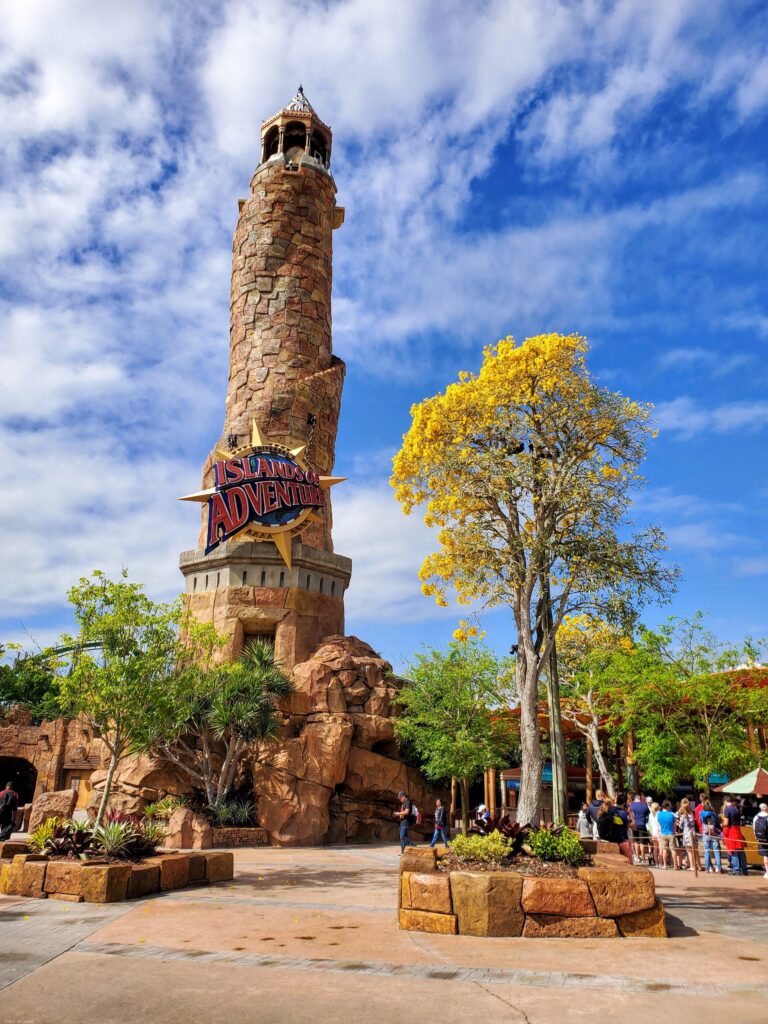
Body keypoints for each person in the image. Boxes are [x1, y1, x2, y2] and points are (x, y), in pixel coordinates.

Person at [722, 796, 748, 876]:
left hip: (732, 831)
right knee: (741, 850)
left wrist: (721, 824)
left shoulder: (727, 809)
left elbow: (726, 823)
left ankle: (736, 869)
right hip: (738, 830)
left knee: (734, 851)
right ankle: (744, 869)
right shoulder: (737, 809)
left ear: (726, 801)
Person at [700, 799, 723, 874]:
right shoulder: (714, 814)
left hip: (706, 834)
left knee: (706, 851)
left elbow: (700, 820)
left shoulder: (702, 814)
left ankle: (707, 868)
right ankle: (719, 868)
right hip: (714, 834)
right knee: (716, 851)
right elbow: (717, 824)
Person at [675, 798, 697, 870]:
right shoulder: (691, 814)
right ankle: (693, 865)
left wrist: (677, 823)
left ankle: (692, 866)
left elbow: (681, 825)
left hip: (687, 834)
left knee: (689, 851)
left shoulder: (683, 815)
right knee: (693, 850)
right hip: (693, 833)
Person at [629, 791, 650, 863]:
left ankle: (637, 856)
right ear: (640, 798)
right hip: (642, 825)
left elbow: (629, 814)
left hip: (634, 825)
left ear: (635, 799)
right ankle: (643, 857)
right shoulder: (644, 805)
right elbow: (648, 815)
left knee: (636, 842)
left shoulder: (631, 805)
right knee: (642, 842)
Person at [656, 800, 676, 869]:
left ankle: (665, 865)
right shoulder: (672, 814)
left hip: (663, 833)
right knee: (673, 849)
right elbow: (674, 824)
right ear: (667, 807)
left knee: (664, 850)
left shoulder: (659, 814)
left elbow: (658, 823)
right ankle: (675, 865)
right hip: (671, 833)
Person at [752, 802, 768, 879]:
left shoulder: (756, 817)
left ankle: (767, 872)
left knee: (765, 855)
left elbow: (754, 828)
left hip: (761, 839)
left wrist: (756, 837)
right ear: (766, 808)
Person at [647, 801, 661, 867]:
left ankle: (656, 863)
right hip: (659, 832)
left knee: (655, 848)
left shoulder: (650, 815)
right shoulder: (659, 814)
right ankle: (661, 862)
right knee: (660, 848)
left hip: (653, 832)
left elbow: (649, 824)